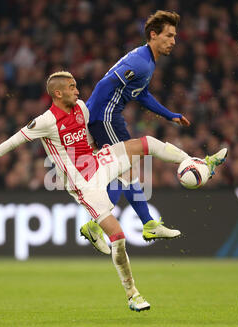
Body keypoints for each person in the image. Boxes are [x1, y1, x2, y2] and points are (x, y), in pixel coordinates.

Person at [0, 72, 227, 312]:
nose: (77, 90)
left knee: (146, 143)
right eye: (72, 87)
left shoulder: (81, 108)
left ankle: (197, 162)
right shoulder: (46, 121)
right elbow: (11, 142)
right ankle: (132, 293)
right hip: (82, 183)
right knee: (118, 237)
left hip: (97, 161)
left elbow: (88, 137)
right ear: (58, 93)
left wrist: (109, 152)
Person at [81, 10, 194, 245]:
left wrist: (170, 115)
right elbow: (105, 84)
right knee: (123, 168)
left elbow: (141, 95)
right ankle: (96, 225)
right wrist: (93, 117)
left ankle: (147, 224)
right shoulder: (141, 62)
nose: (173, 41)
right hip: (106, 118)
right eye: (169, 35)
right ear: (153, 35)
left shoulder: (146, 60)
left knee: (126, 170)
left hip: (106, 118)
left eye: (175, 37)